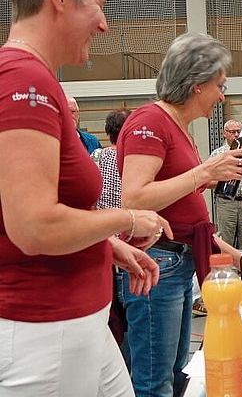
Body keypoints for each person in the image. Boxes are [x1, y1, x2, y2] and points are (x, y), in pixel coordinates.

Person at [0, 0, 168, 396]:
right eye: (99, 4)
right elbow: (33, 226)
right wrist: (127, 220)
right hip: (44, 331)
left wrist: (105, 244)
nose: (104, 24)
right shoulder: (24, 81)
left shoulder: (36, 80)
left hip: (77, 322)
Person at [118, 32, 242, 397]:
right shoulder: (152, 121)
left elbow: (184, 209)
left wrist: (233, 252)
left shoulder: (179, 128)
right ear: (196, 84)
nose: (222, 95)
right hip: (158, 261)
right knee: (154, 379)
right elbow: (135, 196)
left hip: (177, 261)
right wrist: (205, 173)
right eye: (219, 85)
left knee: (175, 372)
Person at [93, 108, 133, 352]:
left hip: (104, 246)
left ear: (108, 133)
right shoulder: (136, 158)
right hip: (130, 247)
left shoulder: (95, 157)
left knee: (113, 319)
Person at [211, 119, 242, 249]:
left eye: (239, 131)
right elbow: (207, 180)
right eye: (233, 132)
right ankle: (228, 268)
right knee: (226, 242)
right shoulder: (217, 154)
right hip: (226, 203)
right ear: (224, 133)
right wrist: (223, 183)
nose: (237, 135)